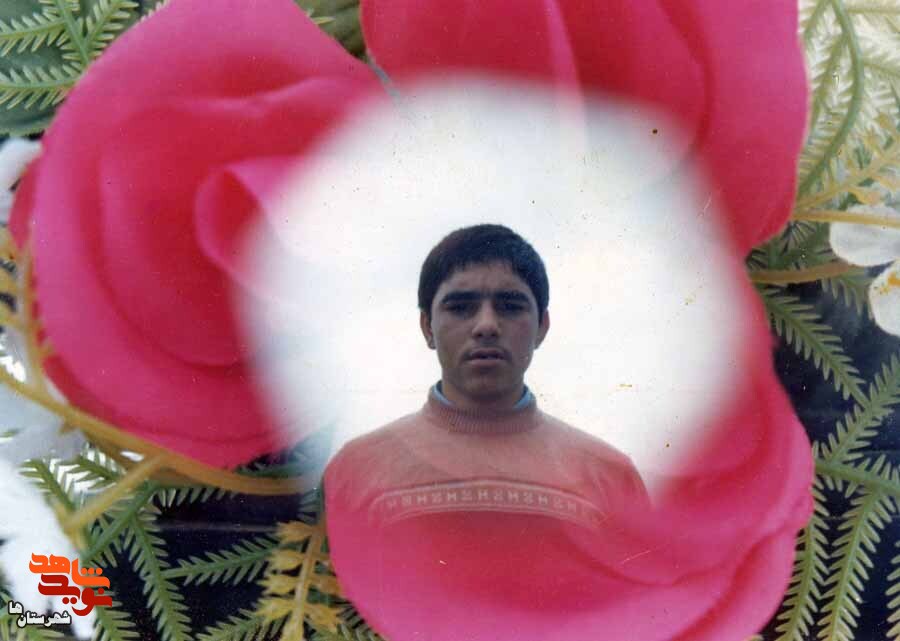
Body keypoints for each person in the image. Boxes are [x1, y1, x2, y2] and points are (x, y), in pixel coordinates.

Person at [323, 225, 649, 638]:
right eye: (461, 307)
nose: (486, 325)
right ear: (426, 327)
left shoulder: (608, 475)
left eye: (510, 306)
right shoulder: (357, 470)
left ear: (542, 326)